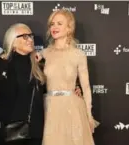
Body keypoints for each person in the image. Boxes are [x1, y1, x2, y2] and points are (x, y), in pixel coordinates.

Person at [0, 22, 82, 145]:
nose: (30, 39)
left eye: (31, 36)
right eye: (24, 37)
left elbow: (56, 84)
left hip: (35, 132)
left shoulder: (39, 65)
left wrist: (74, 88)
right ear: (12, 41)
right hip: (9, 133)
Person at [37, 9, 99, 145]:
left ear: (69, 28)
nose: (54, 27)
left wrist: (89, 115)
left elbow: (86, 87)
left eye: (59, 23)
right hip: (51, 108)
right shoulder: (43, 54)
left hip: (73, 108)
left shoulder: (78, 54)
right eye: (52, 24)